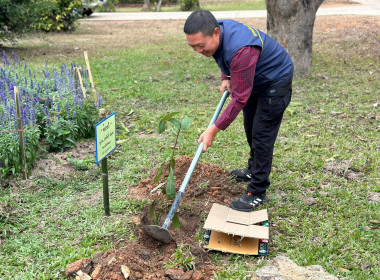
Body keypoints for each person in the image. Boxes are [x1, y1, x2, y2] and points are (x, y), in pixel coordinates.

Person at [184, 10, 293, 212]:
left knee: (262, 134)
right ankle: (253, 170)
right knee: (250, 126)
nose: (198, 50)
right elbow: (220, 54)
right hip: (254, 78)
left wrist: (212, 130)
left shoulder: (241, 50)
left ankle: (257, 191)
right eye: (193, 46)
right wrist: (226, 76)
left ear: (216, 33)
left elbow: (240, 98)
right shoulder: (218, 32)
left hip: (275, 79)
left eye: (201, 45)